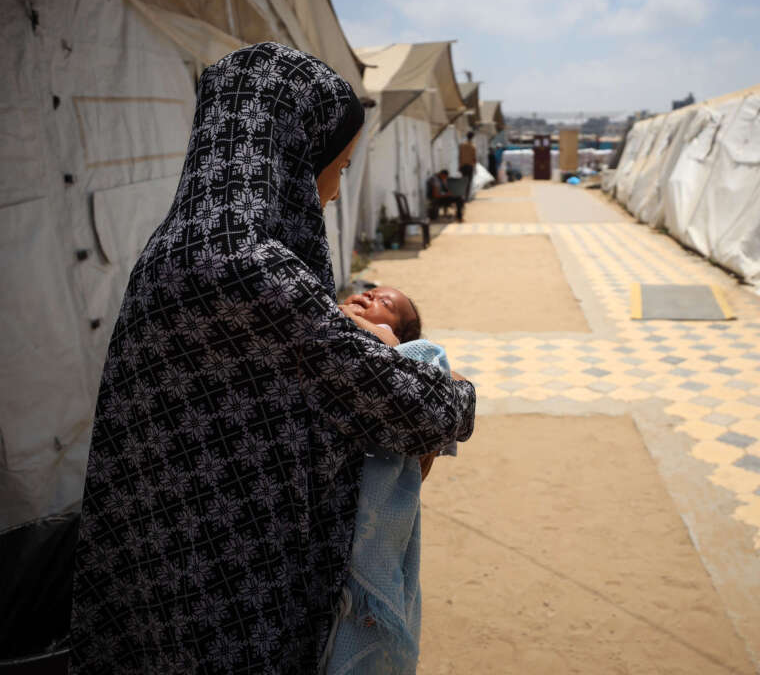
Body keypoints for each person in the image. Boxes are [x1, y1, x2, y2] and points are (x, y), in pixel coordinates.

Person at [68, 42, 475, 675]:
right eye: (336, 168)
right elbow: (412, 406)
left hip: (165, 570)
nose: (334, 193)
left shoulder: (178, 245)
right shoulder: (243, 268)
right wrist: (450, 384)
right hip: (220, 598)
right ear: (289, 159)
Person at [326, 286, 456, 674]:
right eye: (371, 290)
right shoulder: (316, 324)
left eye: (386, 304)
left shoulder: (402, 364)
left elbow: (441, 383)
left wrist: (373, 334)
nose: (371, 295)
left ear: (398, 336)